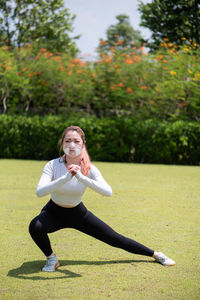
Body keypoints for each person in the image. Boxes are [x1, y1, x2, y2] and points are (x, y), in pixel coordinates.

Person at [29, 125, 175, 272]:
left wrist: (81, 177)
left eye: (76, 141)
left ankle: (156, 254)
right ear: (62, 143)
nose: (71, 145)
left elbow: (108, 192)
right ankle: (51, 259)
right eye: (67, 141)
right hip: (54, 211)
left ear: (83, 144)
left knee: (115, 239)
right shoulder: (53, 165)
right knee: (36, 226)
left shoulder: (89, 168)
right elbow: (40, 192)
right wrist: (66, 177)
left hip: (78, 213)